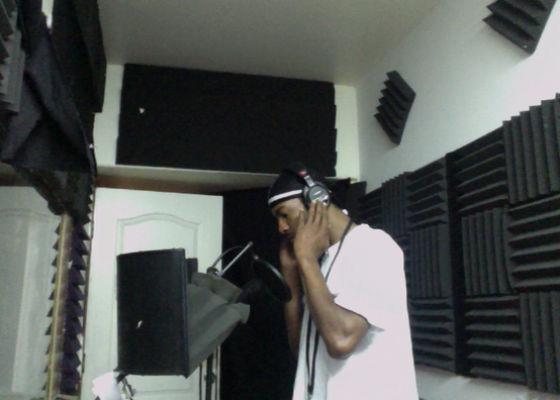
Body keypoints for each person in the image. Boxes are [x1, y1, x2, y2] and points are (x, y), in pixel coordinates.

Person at [267, 164, 418, 400]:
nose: (281, 227)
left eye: (284, 214)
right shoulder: (322, 264)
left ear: (315, 199)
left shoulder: (373, 247)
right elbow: (302, 350)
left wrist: (306, 259)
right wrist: (291, 276)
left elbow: (341, 341)